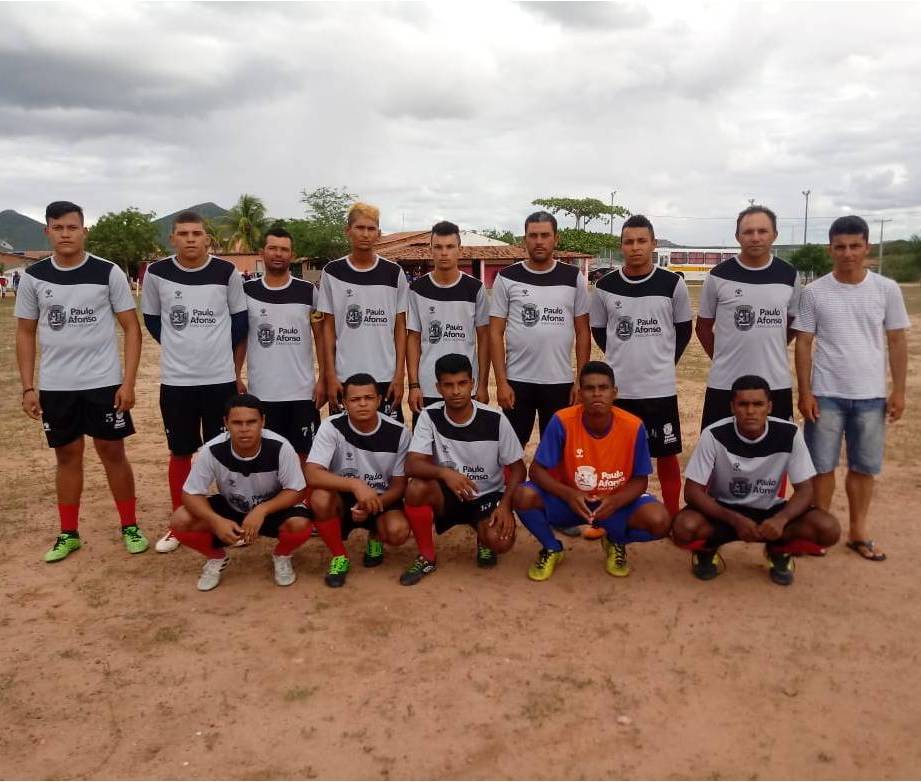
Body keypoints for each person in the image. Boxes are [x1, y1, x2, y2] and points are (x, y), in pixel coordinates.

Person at [15, 200, 147, 561]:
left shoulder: (108, 272)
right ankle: (68, 533)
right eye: (58, 227)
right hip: (57, 386)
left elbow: (132, 329)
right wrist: (28, 386)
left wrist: (128, 382)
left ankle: (130, 526)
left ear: (84, 231)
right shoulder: (34, 276)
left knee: (112, 452)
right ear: (47, 231)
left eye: (72, 227)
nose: (65, 234)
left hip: (103, 383)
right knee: (67, 456)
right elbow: (25, 332)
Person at [794, 215, 909, 562]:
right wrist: (804, 392)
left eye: (854, 246)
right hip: (826, 393)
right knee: (821, 467)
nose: (847, 253)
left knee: (863, 467)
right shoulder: (815, 292)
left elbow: (897, 340)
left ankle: (858, 531)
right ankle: (821, 529)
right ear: (830, 249)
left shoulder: (886, 289)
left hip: (871, 395)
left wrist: (899, 390)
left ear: (866, 247)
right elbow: (803, 343)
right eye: (840, 247)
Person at [141, 210, 248, 553]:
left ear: (207, 239)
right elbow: (154, 321)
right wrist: (181, 346)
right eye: (183, 233)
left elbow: (240, 321)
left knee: (226, 451)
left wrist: (219, 357)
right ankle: (180, 521)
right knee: (181, 451)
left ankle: (233, 520)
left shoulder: (226, 271)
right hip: (177, 381)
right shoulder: (157, 273)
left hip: (219, 380)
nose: (190, 239)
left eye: (196, 233)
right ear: (172, 238)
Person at [672, 375, 840, 585]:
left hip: (770, 511)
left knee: (827, 529)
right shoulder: (713, 434)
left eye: (758, 404)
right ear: (733, 407)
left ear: (769, 407)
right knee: (684, 527)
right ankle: (707, 551)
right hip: (725, 511)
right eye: (743, 404)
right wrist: (734, 519)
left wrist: (781, 519)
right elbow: (692, 491)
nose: (750, 411)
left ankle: (778, 550)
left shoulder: (790, 434)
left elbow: (805, 489)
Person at [514, 361, 672, 581]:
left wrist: (616, 501)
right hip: (573, 502)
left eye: (603, 388)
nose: (597, 394)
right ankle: (551, 548)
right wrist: (569, 495)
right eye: (589, 388)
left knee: (660, 521)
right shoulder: (562, 421)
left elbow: (640, 481)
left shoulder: (633, 426)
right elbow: (537, 471)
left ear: (614, 392)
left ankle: (615, 540)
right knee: (522, 495)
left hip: (614, 504)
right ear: (580, 393)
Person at [591, 214, 692, 519]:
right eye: (628, 242)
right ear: (621, 246)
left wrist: (662, 362)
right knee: (616, 458)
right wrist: (623, 355)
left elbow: (683, 331)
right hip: (620, 390)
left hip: (658, 388)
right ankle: (611, 514)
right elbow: (599, 330)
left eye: (641, 241)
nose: (635, 247)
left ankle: (672, 515)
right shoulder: (605, 286)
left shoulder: (673, 283)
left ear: (653, 243)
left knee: (666, 454)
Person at [402, 354, 526, 585]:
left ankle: (484, 536)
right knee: (416, 489)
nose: (456, 391)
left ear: (472, 383)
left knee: (500, 542)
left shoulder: (495, 419)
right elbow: (412, 464)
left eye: (462, 383)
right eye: (448, 385)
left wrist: (506, 505)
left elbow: (519, 469)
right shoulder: (430, 416)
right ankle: (427, 556)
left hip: (487, 495)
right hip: (449, 494)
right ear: (438, 387)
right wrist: (445, 473)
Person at [169, 394, 311, 591]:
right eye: (237, 423)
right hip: (232, 505)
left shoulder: (280, 447)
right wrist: (215, 520)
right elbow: (190, 494)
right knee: (180, 520)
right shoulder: (212, 450)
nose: (244, 429)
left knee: (301, 524)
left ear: (263, 421)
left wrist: (262, 510)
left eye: (251, 422)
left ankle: (282, 555)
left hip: (271, 508)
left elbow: (297, 490)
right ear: (226, 423)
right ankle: (216, 557)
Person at [490, 210, 591, 446]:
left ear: (556, 239)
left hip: (559, 382)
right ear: (524, 239)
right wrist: (501, 382)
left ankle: (549, 485)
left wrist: (580, 381)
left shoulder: (573, 277)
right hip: (517, 381)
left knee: (557, 450)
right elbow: (495, 333)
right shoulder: (507, 277)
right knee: (511, 450)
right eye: (533, 235)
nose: (539, 241)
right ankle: (512, 485)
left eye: (545, 235)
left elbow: (583, 332)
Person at [696, 206, 801, 429]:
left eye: (762, 231)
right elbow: (703, 327)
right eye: (748, 232)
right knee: (719, 453)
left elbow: (792, 324)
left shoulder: (789, 275)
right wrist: (723, 359)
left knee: (777, 455)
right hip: (725, 384)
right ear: (737, 236)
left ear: (774, 235)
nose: (755, 238)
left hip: (775, 383)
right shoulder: (717, 276)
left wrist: (773, 347)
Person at [305, 373, 412, 587]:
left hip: (381, 499)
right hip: (343, 497)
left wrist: (372, 504)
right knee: (319, 498)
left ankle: (375, 536)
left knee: (398, 532)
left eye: (369, 398)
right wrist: (355, 484)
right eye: (354, 399)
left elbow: (400, 485)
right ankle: (339, 556)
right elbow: (312, 473)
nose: (362, 404)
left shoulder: (399, 432)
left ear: (379, 400)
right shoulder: (331, 426)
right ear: (344, 403)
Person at [235, 227, 325, 460]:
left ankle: (303, 498)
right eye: (272, 248)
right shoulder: (247, 291)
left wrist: (324, 378)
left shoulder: (308, 291)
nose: (278, 254)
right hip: (262, 393)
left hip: (302, 393)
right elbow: (241, 338)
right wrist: (235, 375)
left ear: (292, 255)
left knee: (305, 457)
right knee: (268, 458)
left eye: (284, 249)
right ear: (261, 253)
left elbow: (321, 337)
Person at [317, 202, 409, 421]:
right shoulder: (332, 272)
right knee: (346, 446)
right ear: (347, 231)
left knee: (388, 447)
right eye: (360, 228)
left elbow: (400, 329)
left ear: (378, 233)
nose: (365, 234)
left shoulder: (393, 273)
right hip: (345, 377)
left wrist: (399, 376)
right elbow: (327, 329)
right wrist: (330, 375)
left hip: (385, 377)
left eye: (371, 228)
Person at [406, 221, 490, 425]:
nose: (444, 253)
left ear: (459, 250)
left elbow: (484, 338)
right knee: (426, 451)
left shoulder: (475, 288)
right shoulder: (417, 289)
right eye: (439, 247)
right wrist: (414, 385)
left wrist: (483, 385)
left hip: (464, 386)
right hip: (429, 385)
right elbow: (413, 339)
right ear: (431, 250)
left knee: (465, 448)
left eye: (450, 247)